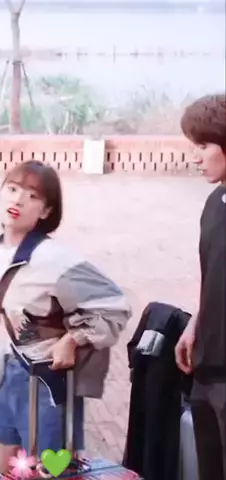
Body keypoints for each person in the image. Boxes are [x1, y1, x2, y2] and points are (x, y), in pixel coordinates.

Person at [0, 160, 132, 474]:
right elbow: (4, 291)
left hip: (45, 383)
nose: (18, 200)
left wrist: (73, 340)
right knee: (2, 468)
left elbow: (114, 305)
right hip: (9, 373)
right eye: (12, 189)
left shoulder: (55, 260)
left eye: (32, 196)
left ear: (46, 211)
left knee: (50, 471)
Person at [175, 93, 226, 480]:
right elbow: (213, 275)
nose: (196, 157)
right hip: (205, 368)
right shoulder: (214, 202)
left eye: (204, 145)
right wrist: (194, 324)